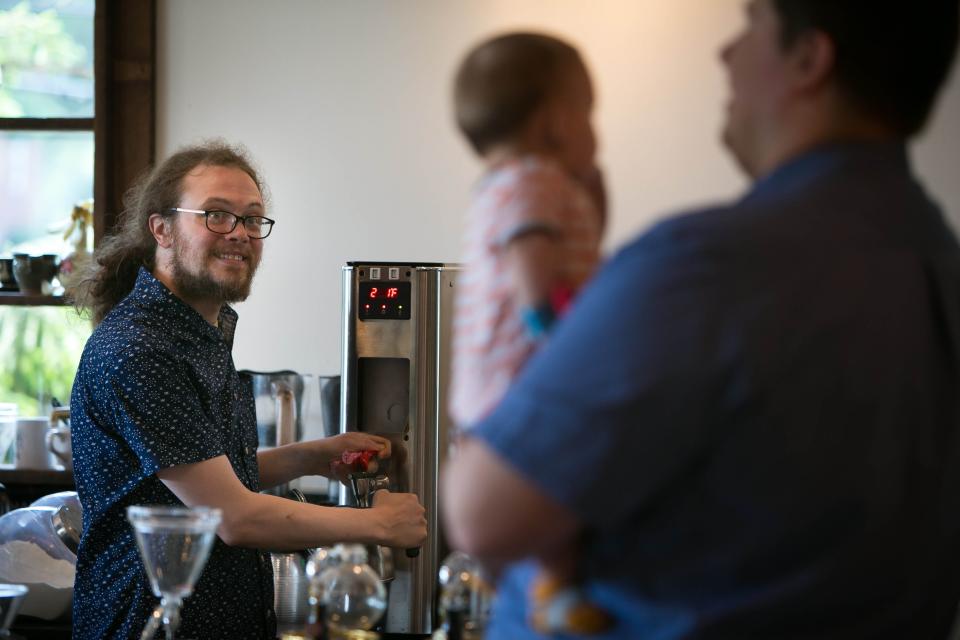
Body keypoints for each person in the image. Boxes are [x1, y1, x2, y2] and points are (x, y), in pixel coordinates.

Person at [443, 1, 960, 638]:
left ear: (809, 59)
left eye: (752, 25)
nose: (725, 54)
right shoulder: (937, 259)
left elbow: (482, 514)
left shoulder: (704, 268)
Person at [69, 141, 427, 639]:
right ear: (162, 229)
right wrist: (378, 525)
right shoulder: (141, 349)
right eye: (216, 215)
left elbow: (203, 477)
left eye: (252, 219)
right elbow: (233, 516)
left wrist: (310, 456)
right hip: (152, 625)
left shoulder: (197, 333)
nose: (239, 233)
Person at [448, 33, 608, 633]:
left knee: (550, 487)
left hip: (493, 386)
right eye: (590, 113)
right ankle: (554, 586)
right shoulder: (535, 180)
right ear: (557, 123)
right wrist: (564, 338)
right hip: (523, 374)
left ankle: (549, 584)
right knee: (566, 480)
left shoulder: (502, 184)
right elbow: (534, 277)